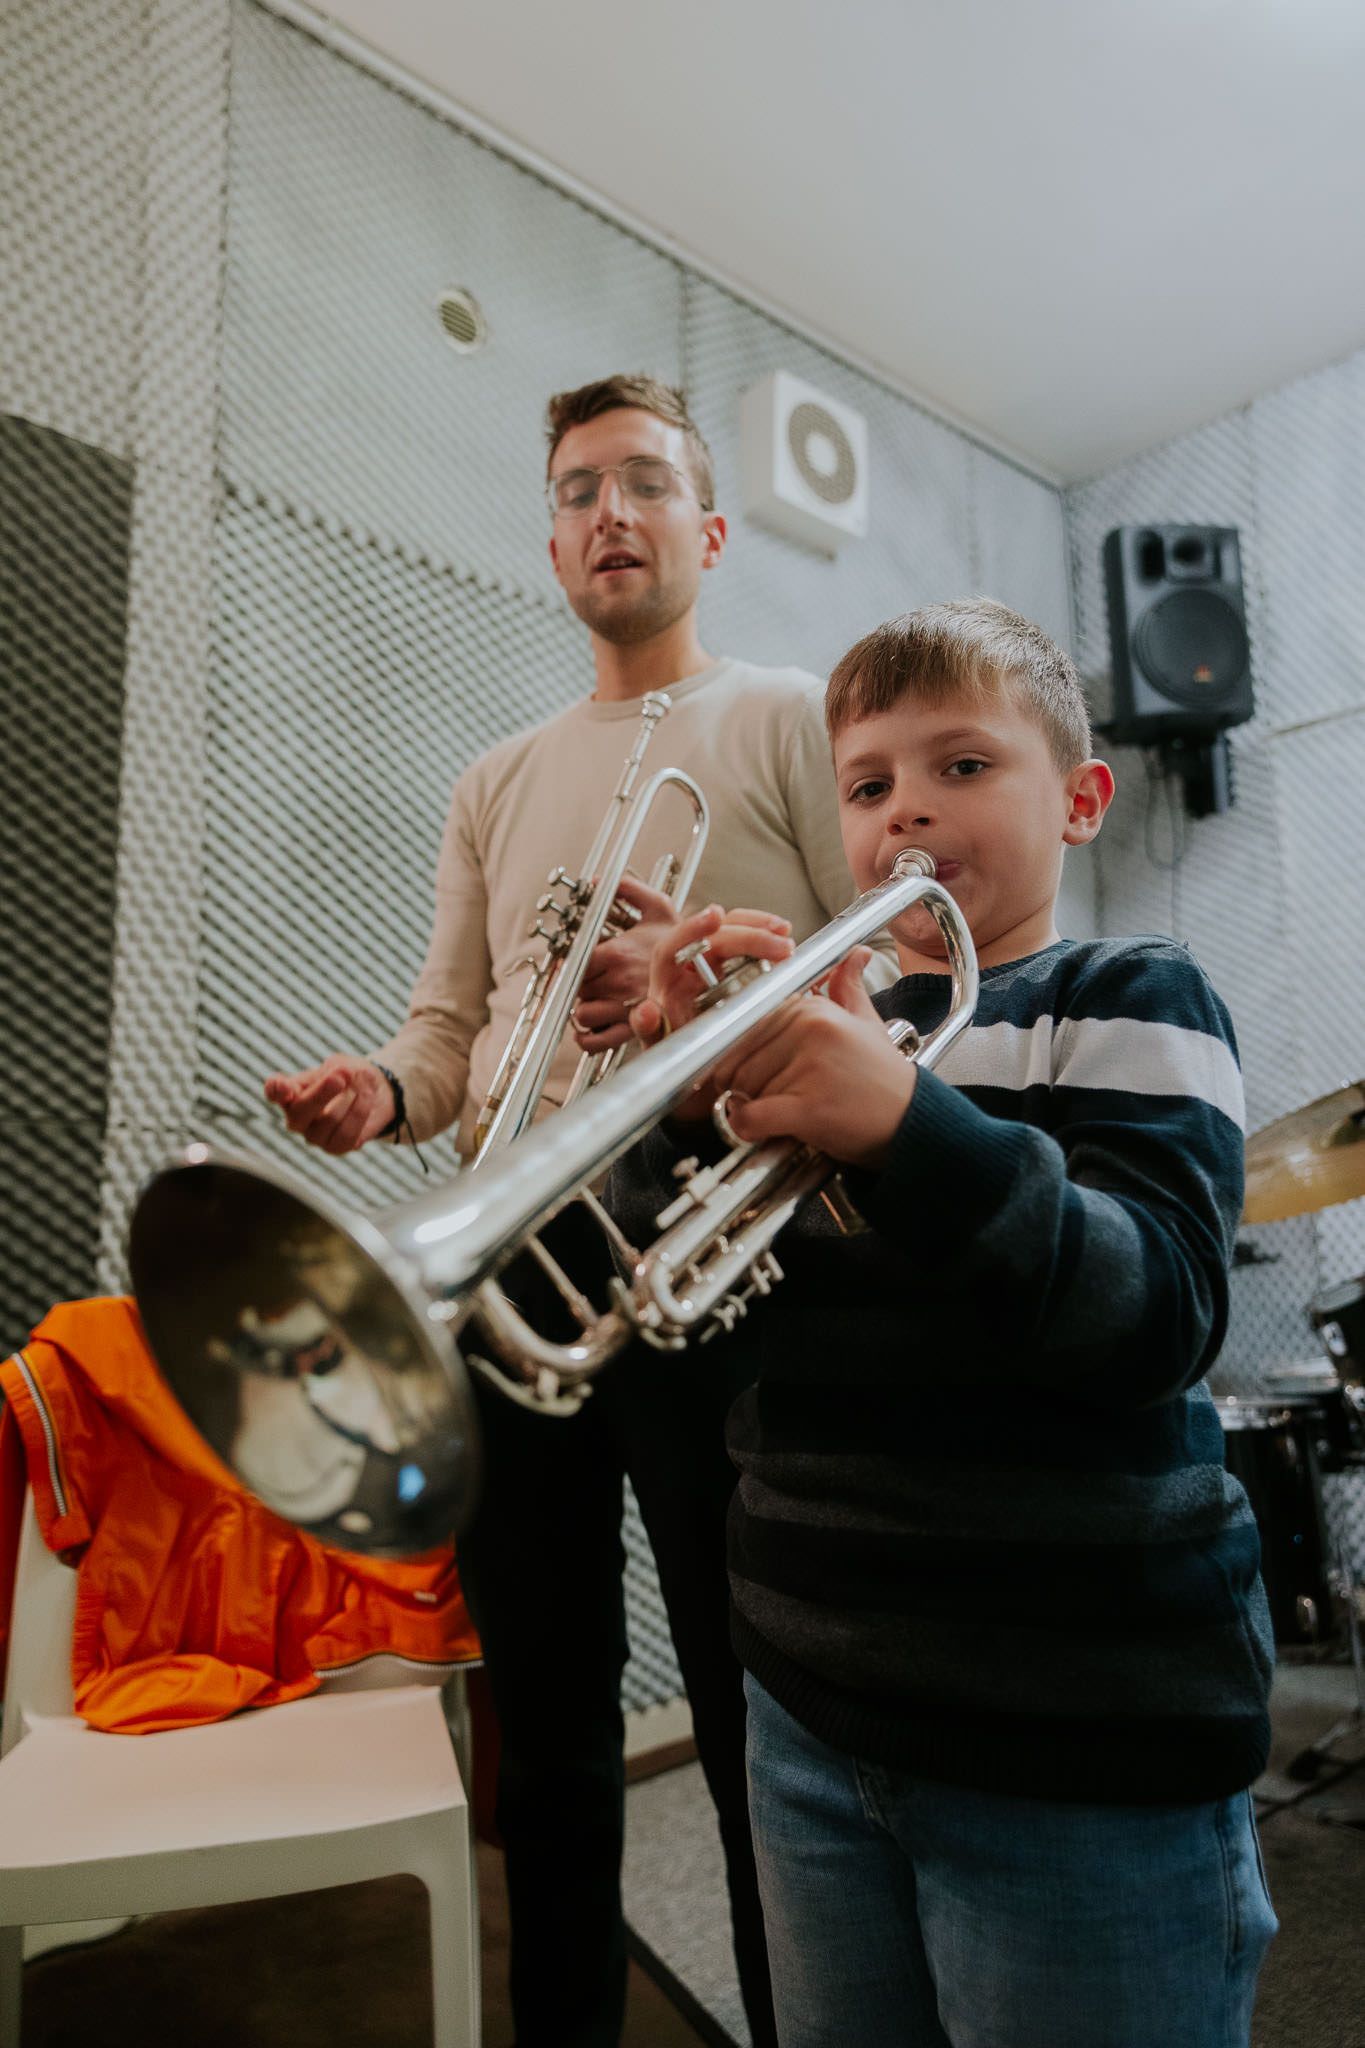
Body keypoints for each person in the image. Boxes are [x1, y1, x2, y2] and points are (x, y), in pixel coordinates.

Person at [263, 375, 893, 2048]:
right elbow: (454, 1041)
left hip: (715, 1247)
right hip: (512, 1259)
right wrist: (380, 1097)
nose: (607, 511)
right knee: (542, 1734)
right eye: (574, 490)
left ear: (709, 527)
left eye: (642, 482)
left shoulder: (780, 715)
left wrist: (695, 985)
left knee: (752, 1712)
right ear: (550, 539)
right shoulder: (495, 774)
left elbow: (881, 971)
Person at [611, 598, 1278, 2048]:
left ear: (1081, 800)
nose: (906, 807)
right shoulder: (823, 1028)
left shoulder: (1125, 996)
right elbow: (670, 1297)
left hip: (1074, 1736)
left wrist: (909, 1126)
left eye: (962, 766)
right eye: (868, 786)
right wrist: (674, 1102)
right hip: (802, 1706)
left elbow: (1153, 1312)